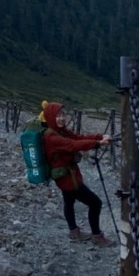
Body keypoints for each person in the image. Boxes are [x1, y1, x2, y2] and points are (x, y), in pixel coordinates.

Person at [41, 101, 114, 247]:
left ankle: (74, 232)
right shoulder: (51, 137)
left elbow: (78, 138)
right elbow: (73, 145)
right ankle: (96, 236)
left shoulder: (59, 131)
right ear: (50, 117)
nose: (62, 118)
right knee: (95, 203)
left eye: (63, 115)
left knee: (69, 202)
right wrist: (97, 144)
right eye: (57, 116)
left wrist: (100, 136)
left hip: (64, 176)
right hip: (68, 179)